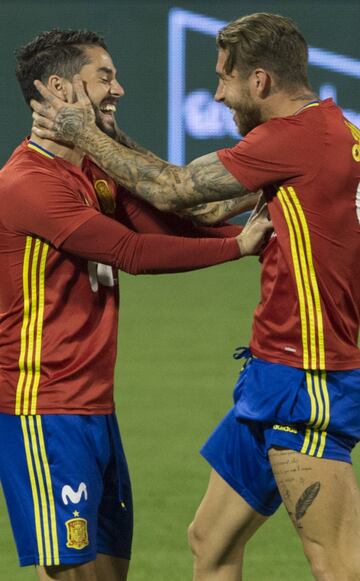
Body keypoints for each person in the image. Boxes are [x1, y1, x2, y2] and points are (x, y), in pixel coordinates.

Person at [31, 12, 360, 581]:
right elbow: (205, 206)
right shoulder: (320, 134)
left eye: (224, 79)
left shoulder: (295, 139)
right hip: (270, 372)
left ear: (259, 81)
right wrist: (108, 138)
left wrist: (83, 134)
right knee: (210, 541)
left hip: (310, 377)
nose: (218, 95)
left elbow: (177, 190)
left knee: (337, 561)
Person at [0, 29, 272, 581]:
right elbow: (131, 251)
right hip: (44, 408)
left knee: (111, 574)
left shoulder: (93, 170)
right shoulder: (26, 183)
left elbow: (168, 218)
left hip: (96, 405)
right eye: (105, 76)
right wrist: (238, 247)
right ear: (58, 87)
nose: (118, 88)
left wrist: (254, 203)